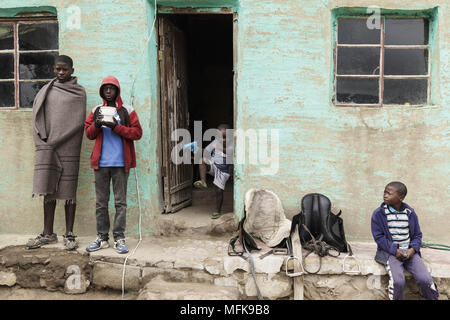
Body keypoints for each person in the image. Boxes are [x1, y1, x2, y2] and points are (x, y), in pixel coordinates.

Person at [28, 55, 86, 250]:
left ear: (72, 70)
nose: (61, 73)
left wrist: (58, 139)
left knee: (69, 192)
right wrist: (45, 140)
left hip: (70, 145)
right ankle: (47, 233)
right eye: (57, 69)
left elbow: (78, 121)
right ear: (53, 69)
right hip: (48, 146)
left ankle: (69, 233)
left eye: (65, 69)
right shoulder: (47, 90)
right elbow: (38, 115)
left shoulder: (79, 92)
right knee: (48, 188)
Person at [84, 76, 142, 254]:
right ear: (102, 91)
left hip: (120, 164)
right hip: (100, 164)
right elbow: (89, 134)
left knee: (120, 203)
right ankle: (102, 238)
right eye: (105, 88)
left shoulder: (127, 110)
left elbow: (137, 133)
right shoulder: (96, 110)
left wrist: (117, 127)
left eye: (112, 88)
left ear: (117, 90)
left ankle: (119, 238)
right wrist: (97, 124)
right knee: (101, 203)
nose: (109, 91)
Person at [371, 181, 439, 300]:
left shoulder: (410, 213)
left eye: (389, 193)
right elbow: (379, 238)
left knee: (426, 280)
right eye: (384, 192)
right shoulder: (379, 214)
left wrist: (412, 250)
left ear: (401, 197)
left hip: (409, 252)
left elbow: (417, 235)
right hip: (391, 253)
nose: (385, 195)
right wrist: (395, 251)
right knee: (398, 281)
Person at [193, 124, 233, 219]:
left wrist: (218, 147)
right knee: (202, 160)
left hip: (224, 171)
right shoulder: (216, 141)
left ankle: (217, 211)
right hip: (214, 166)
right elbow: (206, 151)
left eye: (224, 137)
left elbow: (229, 152)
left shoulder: (232, 144)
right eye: (219, 137)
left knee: (218, 190)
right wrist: (197, 149)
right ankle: (203, 182)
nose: (221, 140)